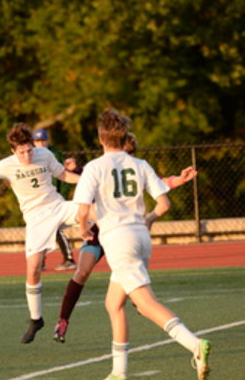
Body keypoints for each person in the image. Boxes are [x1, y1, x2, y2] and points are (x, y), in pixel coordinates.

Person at [74, 110, 211, 380]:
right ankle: (119, 373)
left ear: (100, 138)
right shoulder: (140, 164)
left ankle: (194, 344)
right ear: (124, 137)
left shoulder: (94, 167)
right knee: (114, 304)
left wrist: (83, 229)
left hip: (118, 240)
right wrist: (147, 219)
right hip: (140, 236)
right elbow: (164, 204)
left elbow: (82, 210)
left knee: (145, 304)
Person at [53, 132, 198, 343]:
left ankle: (175, 332)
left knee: (128, 302)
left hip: (122, 234)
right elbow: (80, 178)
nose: (127, 156)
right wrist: (71, 169)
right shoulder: (101, 167)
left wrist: (179, 179)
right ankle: (63, 320)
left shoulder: (133, 168)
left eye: (131, 153)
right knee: (83, 272)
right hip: (101, 233)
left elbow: (160, 182)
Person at [0, 122, 97, 343]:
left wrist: (87, 180)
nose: (27, 155)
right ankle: (36, 320)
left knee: (97, 211)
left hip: (57, 206)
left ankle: (123, 264)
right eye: (22, 152)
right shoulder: (4, 165)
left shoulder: (44, 154)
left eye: (29, 150)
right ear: (13, 151)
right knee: (33, 269)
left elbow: (63, 175)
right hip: (36, 218)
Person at [33, 127, 77, 270]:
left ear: (47, 141)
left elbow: (64, 174)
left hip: (56, 197)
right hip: (42, 199)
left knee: (54, 228)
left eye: (43, 140)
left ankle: (69, 259)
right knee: (44, 229)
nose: (41, 143)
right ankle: (42, 261)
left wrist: (62, 195)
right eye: (38, 141)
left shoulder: (55, 154)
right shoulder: (32, 155)